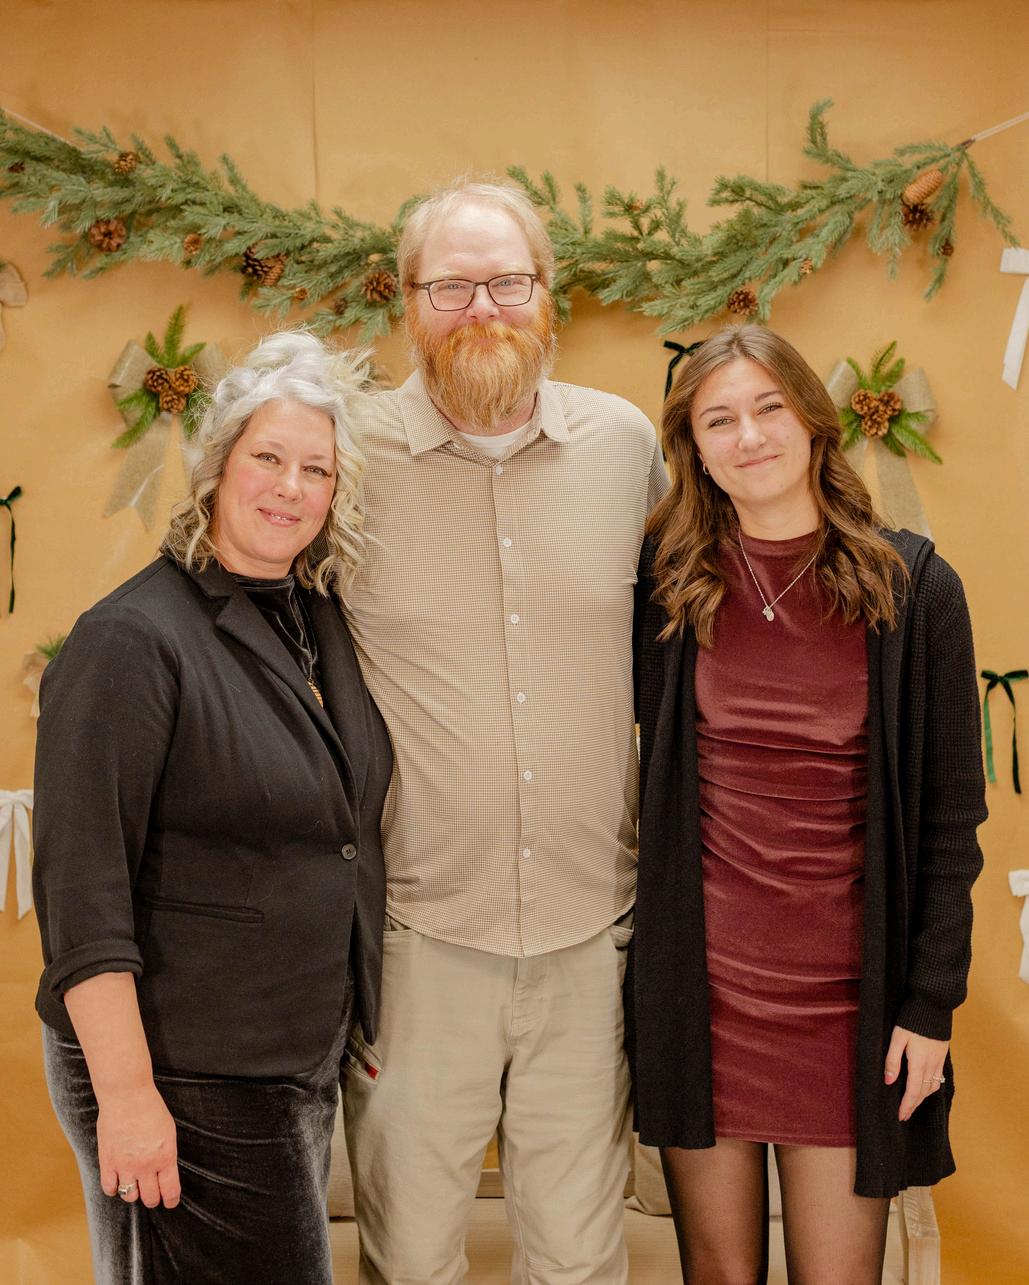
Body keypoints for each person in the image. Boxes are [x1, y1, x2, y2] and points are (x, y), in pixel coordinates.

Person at [340, 178, 667, 1284]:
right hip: (418, 939)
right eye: (450, 285)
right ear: (407, 300)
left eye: (507, 281)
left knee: (579, 1261)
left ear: (547, 292)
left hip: (590, 929)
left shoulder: (624, 445)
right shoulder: (342, 458)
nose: (481, 307)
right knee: (411, 1261)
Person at [32, 332, 393, 1285]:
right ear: (218, 465)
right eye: (267, 457)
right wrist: (127, 1097)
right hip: (179, 1068)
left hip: (281, 1056)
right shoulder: (130, 638)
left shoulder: (311, 614)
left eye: (315, 469)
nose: (290, 487)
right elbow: (82, 897)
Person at [630, 324, 987, 1283]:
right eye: (718, 420)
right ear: (694, 449)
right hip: (702, 995)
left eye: (768, 407)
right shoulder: (668, 583)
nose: (748, 436)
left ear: (813, 420)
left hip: (848, 1009)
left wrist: (929, 1005)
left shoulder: (914, 587)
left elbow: (951, 824)